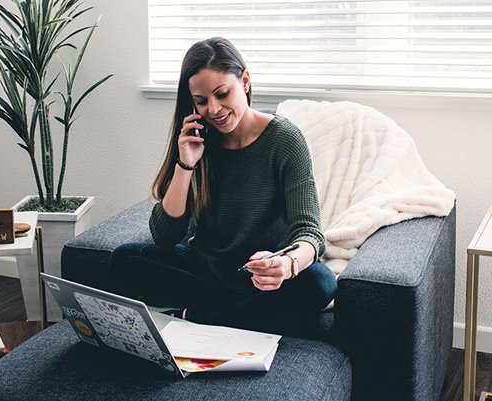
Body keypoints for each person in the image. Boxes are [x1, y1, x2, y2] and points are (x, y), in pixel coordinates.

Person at [106, 37, 337, 336]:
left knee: (320, 283)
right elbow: (164, 237)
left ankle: (199, 317)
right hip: (206, 270)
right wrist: (186, 164)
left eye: (222, 93)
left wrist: (288, 263)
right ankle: (234, 312)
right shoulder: (199, 140)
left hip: (260, 276)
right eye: (201, 101)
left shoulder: (285, 140)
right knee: (123, 260)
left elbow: (309, 233)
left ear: (245, 81)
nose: (213, 109)